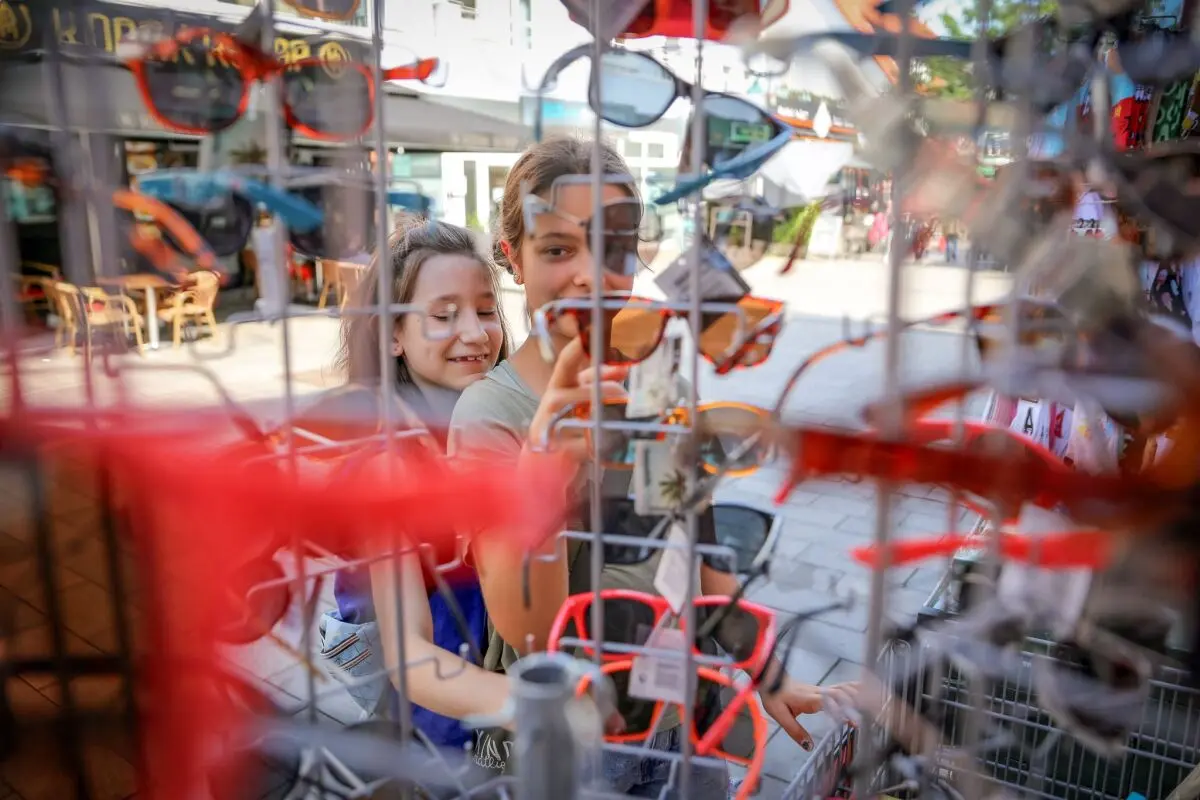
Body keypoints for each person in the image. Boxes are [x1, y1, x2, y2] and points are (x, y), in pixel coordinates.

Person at [449, 136, 855, 795]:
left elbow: (698, 548)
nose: (589, 274)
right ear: (512, 258)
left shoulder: (658, 385)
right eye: (557, 249)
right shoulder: (489, 414)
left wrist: (767, 672)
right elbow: (530, 632)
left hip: (683, 715)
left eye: (612, 246)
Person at [315, 214, 513, 749]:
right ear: (393, 335)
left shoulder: (499, 417)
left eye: (487, 310)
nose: (475, 332)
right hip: (436, 693)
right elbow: (410, 655)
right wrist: (532, 705)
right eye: (444, 315)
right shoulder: (388, 460)